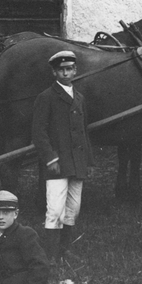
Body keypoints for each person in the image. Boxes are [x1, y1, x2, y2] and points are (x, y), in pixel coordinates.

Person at [31, 50, 94, 265]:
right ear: (54, 73)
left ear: (75, 70)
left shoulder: (80, 98)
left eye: (69, 69)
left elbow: (84, 132)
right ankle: (51, 255)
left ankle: (64, 250)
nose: (65, 73)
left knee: (72, 209)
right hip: (58, 163)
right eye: (61, 70)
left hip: (77, 162)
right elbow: (38, 132)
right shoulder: (46, 97)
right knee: (55, 210)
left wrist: (89, 161)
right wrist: (51, 158)